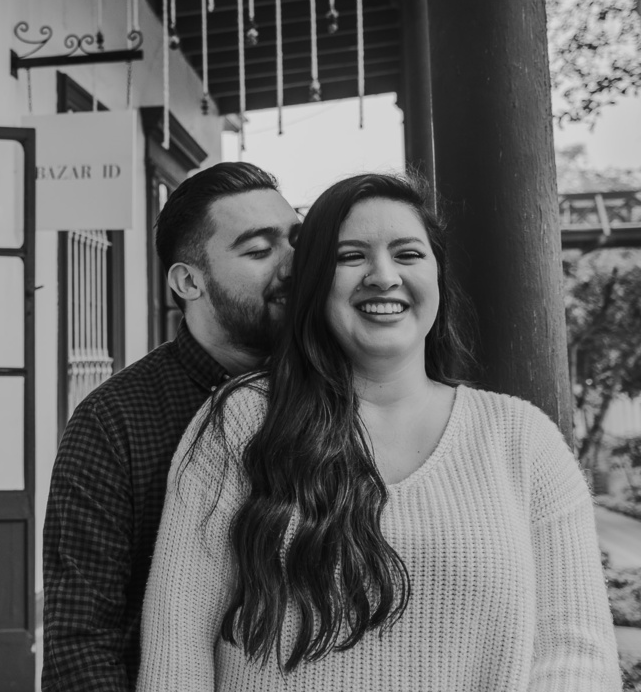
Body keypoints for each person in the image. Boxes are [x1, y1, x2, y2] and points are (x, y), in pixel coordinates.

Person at [137, 172, 620, 691]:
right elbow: (177, 649)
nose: (383, 275)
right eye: (350, 257)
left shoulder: (523, 439)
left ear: (438, 276)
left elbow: (576, 651)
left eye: (408, 254)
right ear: (315, 282)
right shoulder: (241, 422)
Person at [42, 162, 301, 691]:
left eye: (296, 240)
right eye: (258, 250)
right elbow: (80, 644)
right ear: (188, 281)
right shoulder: (114, 423)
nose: (294, 266)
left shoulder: (338, 392)